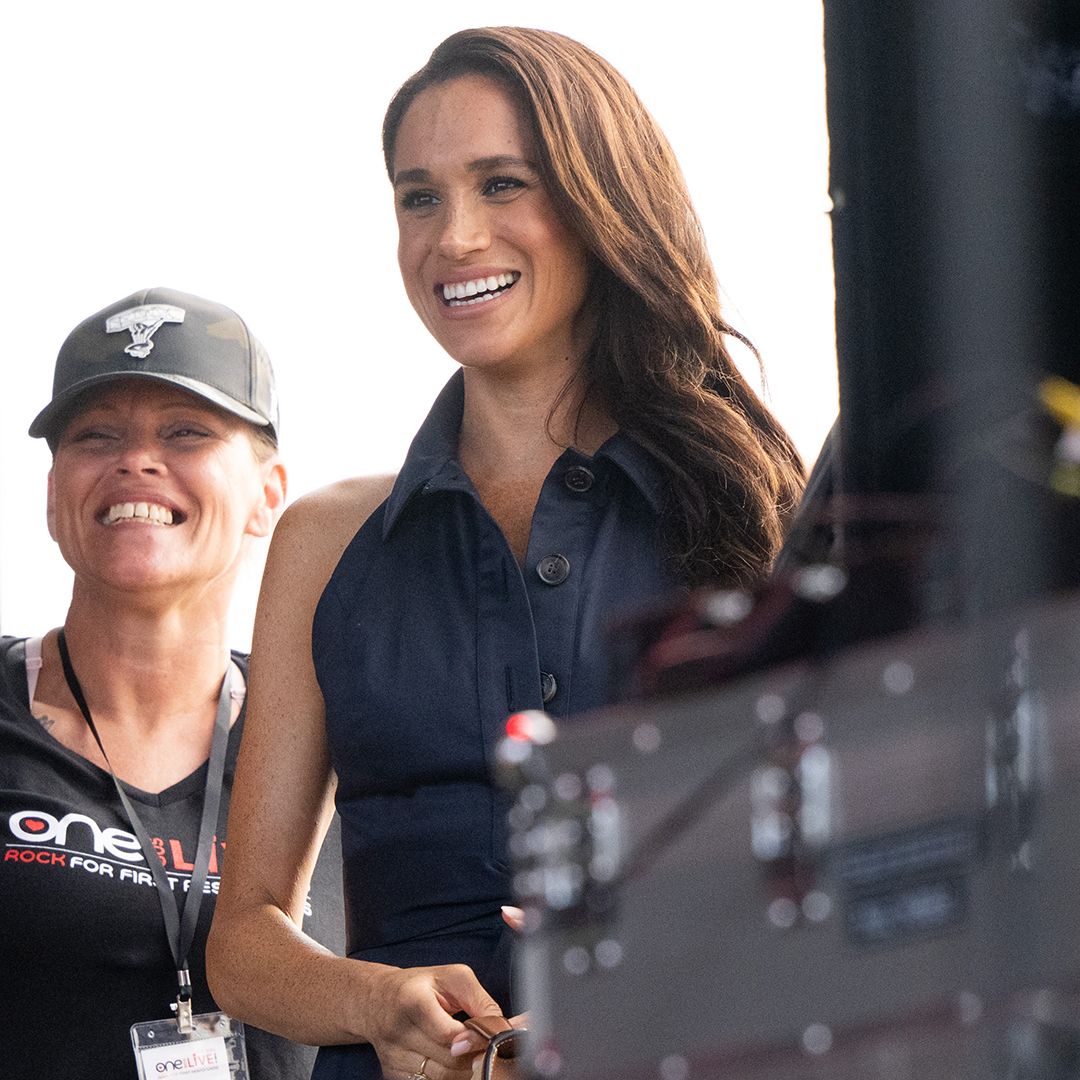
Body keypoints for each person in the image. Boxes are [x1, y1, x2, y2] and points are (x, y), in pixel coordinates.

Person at [207, 26, 804, 1080]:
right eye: (419, 198)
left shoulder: (757, 509)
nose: (456, 236)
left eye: (502, 184)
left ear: (601, 200)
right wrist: (378, 1002)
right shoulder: (325, 538)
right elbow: (245, 943)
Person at [0, 287, 343, 1080]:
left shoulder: (348, 741)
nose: (136, 460)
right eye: (96, 435)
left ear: (268, 495)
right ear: (52, 496)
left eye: (186, 432)